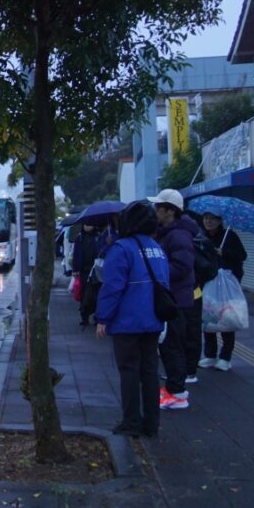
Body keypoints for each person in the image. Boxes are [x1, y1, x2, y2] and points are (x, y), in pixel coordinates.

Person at [95, 200, 170, 438]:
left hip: (127, 322)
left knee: (129, 371)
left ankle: (131, 422)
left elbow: (112, 287)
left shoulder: (122, 249)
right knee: (149, 372)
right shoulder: (157, 248)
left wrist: (103, 318)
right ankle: (151, 423)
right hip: (153, 320)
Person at [149, 188, 199, 410]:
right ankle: (173, 389)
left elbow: (182, 267)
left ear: (169, 211)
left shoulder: (178, 235)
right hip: (173, 299)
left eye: (158, 207)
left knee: (173, 347)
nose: (155, 210)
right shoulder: (169, 232)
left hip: (175, 301)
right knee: (170, 346)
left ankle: (178, 394)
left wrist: (156, 269)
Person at [199, 210, 247, 372]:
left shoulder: (230, 236)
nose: (209, 222)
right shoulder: (202, 236)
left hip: (227, 285)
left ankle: (226, 357)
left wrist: (224, 253)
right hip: (208, 283)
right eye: (206, 218)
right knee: (208, 318)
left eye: (212, 219)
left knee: (227, 318)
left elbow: (242, 255)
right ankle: (210, 355)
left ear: (220, 221)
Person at [71, 223, 100, 325]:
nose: (88, 226)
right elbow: (76, 254)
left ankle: (97, 317)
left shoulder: (98, 237)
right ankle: (84, 317)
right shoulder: (79, 238)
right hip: (84, 271)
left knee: (95, 294)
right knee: (84, 293)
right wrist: (75, 269)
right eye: (86, 225)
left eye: (90, 224)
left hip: (96, 270)